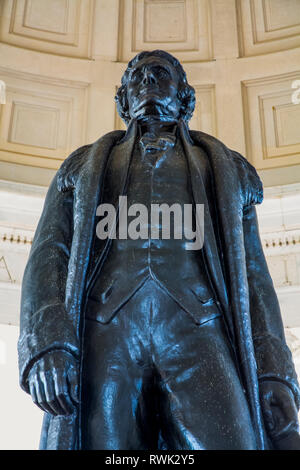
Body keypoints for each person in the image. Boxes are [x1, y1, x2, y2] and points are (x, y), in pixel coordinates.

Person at [18, 50, 300, 450]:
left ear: (185, 96)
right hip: (105, 336)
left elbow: (255, 278)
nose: (147, 82)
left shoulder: (228, 171)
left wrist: (273, 371)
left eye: (160, 74)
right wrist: (46, 343)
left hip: (200, 331)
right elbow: (48, 256)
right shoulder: (81, 167)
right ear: (122, 99)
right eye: (137, 76)